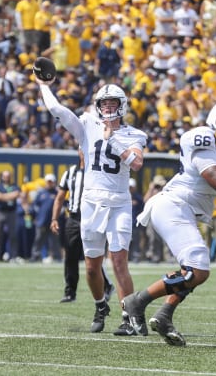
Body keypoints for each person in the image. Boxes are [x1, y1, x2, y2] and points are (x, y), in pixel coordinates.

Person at [121, 101, 216, 345]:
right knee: (198, 268)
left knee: (193, 270)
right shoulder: (203, 138)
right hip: (172, 205)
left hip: (182, 209)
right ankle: (138, 301)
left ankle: (165, 315)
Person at [38, 76, 147, 336]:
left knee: (119, 262)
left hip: (119, 202)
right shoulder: (87, 124)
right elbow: (57, 110)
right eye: (104, 104)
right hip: (91, 202)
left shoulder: (135, 134)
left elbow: (137, 164)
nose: (108, 108)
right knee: (90, 266)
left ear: (122, 105)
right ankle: (100, 306)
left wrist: (113, 140)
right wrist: (43, 85)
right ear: (97, 106)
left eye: (112, 104)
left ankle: (128, 317)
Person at [51, 151, 114, 303]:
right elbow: (60, 197)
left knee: (92, 257)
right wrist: (54, 218)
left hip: (92, 217)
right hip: (73, 218)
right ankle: (70, 292)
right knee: (70, 256)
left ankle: (107, 285)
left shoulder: (98, 172)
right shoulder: (70, 172)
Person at [0, 170, 21, 262]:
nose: (6, 178)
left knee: (13, 235)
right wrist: (9, 196)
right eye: (5, 176)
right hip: (0, 212)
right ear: (2, 177)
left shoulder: (14, 186)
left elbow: (16, 194)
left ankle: (13, 256)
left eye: (8, 176)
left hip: (11, 212)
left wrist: (4, 196)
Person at [29, 173, 61, 262]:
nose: (49, 184)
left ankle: (56, 256)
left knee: (54, 240)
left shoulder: (58, 193)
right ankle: (35, 256)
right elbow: (34, 206)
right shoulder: (41, 193)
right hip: (42, 221)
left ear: (54, 182)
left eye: (51, 182)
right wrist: (36, 217)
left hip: (53, 221)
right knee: (38, 239)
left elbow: (63, 206)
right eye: (48, 182)